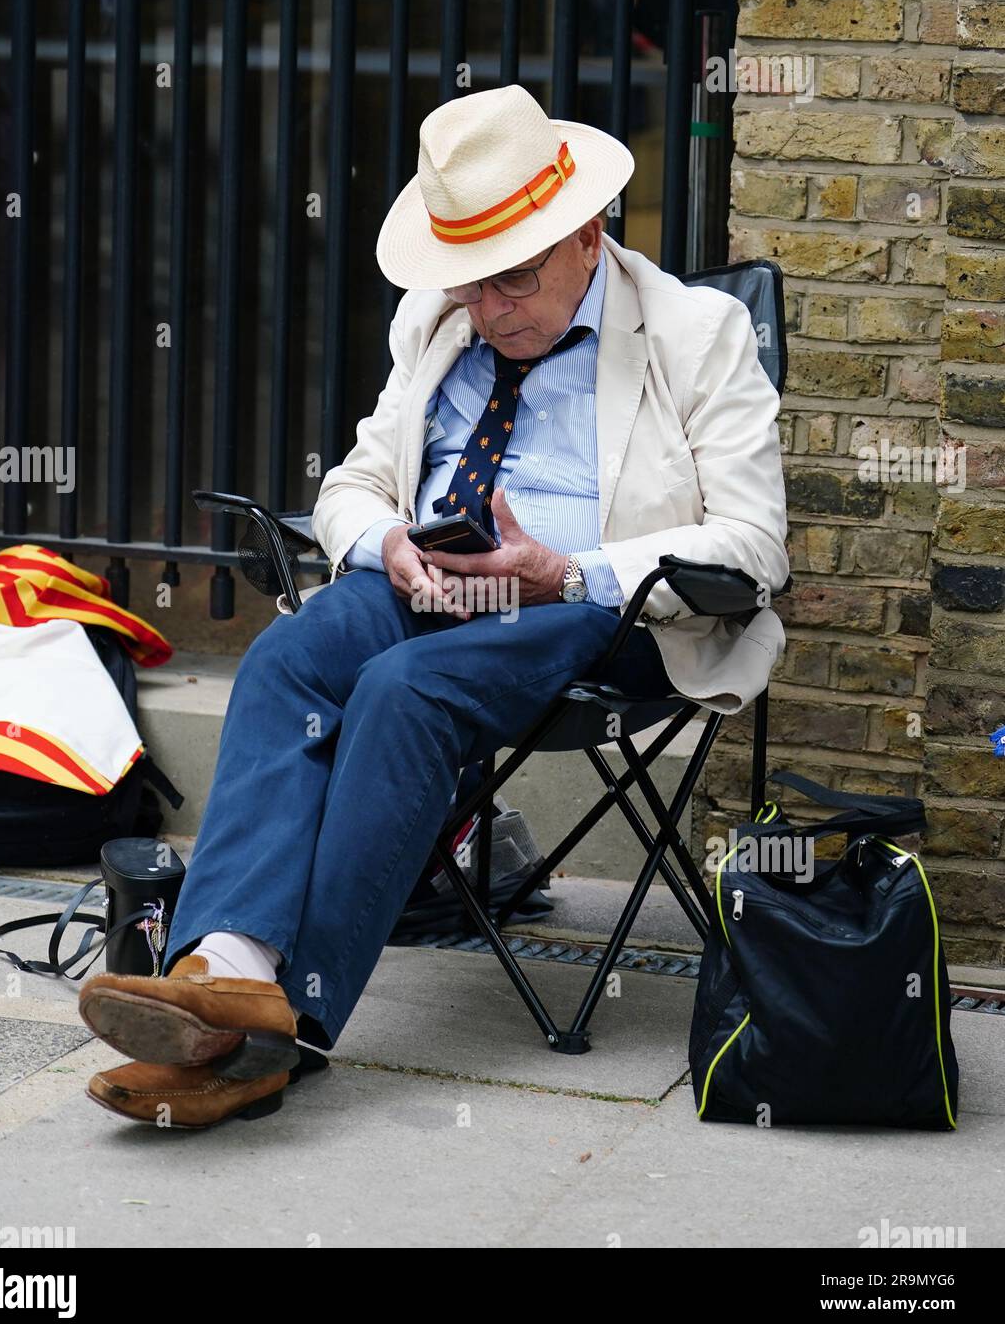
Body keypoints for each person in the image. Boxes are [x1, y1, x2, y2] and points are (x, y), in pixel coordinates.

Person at [77, 84, 788, 1129]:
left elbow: (755, 544)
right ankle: (224, 968)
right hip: (437, 578)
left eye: (513, 279)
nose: (489, 309)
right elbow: (352, 486)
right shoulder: (440, 320)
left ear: (587, 235)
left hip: (599, 599)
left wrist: (562, 567)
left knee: (406, 689)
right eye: (469, 282)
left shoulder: (699, 331)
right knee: (288, 659)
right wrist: (390, 544)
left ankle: (285, 1033)